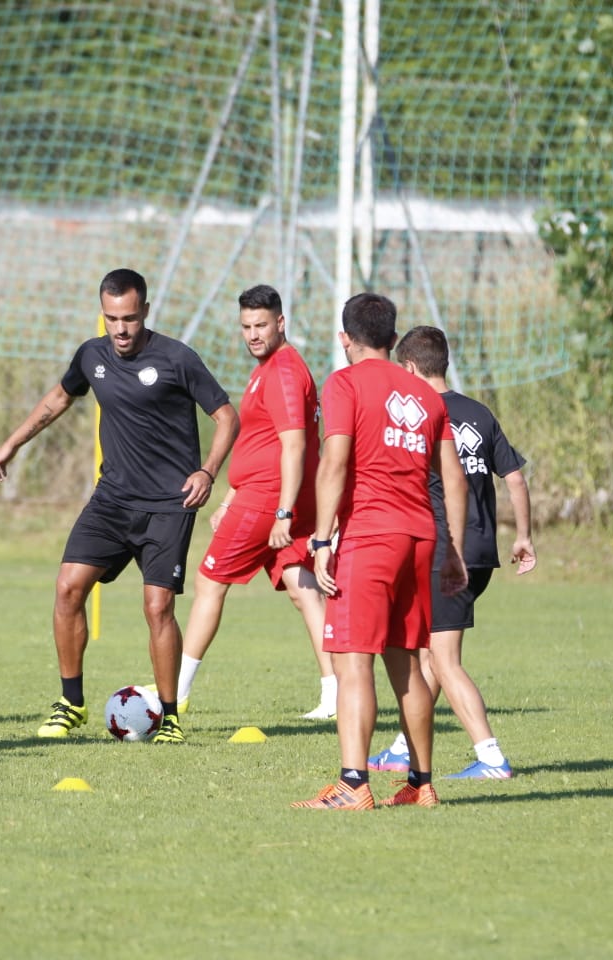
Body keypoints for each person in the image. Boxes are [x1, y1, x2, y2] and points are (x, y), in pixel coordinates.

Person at [0, 268, 237, 744]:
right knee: (67, 589)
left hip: (168, 503)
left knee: (157, 606)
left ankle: (169, 717)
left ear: (145, 310)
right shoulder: (92, 354)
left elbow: (226, 416)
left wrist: (207, 471)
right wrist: (11, 446)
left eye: (128, 318)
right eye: (110, 319)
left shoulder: (177, 359)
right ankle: (71, 703)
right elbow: (59, 397)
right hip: (113, 499)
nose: (120, 329)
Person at [292, 293, 467, 810]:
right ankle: (421, 783)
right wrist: (452, 548)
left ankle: (352, 785)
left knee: (351, 663)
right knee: (407, 662)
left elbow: (334, 462)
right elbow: (453, 478)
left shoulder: (344, 383)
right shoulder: (426, 394)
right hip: (420, 538)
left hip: (369, 537)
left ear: (345, 339)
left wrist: (322, 539)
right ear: (393, 340)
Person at [367, 326, 537, 779]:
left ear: (408, 367)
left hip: (448, 552)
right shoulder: (479, 413)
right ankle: (404, 747)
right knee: (431, 651)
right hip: (482, 552)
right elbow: (515, 477)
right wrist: (523, 536)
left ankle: (491, 757)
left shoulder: (419, 414)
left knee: (443, 658)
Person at [175, 284, 335, 719]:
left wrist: (282, 510)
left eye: (261, 325)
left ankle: (176, 694)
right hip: (267, 494)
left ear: (280, 323)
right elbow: (259, 441)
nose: (252, 334)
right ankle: (335, 694)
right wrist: (230, 495)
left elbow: (295, 446)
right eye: (246, 326)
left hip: (270, 499)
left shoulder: (283, 371)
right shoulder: (268, 367)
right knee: (303, 589)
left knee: (210, 581)